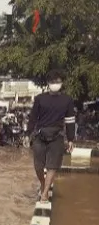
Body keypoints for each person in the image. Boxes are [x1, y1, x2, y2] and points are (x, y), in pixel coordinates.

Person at [27, 69, 75, 202]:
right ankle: (43, 183)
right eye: (53, 82)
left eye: (58, 81)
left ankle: (45, 193)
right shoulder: (39, 99)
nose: (55, 84)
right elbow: (32, 118)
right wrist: (28, 134)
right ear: (48, 83)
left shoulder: (67, 100)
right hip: (40, 136)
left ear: (62, 83)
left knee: (52, 166)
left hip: (57, 136)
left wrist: (70, 139)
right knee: (38, 166)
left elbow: (70, 120)